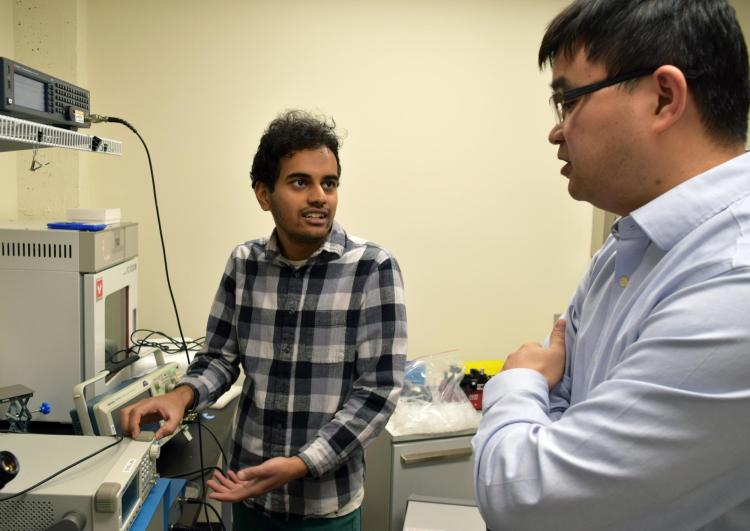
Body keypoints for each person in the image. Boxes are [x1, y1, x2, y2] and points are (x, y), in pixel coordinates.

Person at [473, 1, 750, 529]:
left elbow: (531, 503)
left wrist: (517, 382)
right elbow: (565, 421)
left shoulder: (736, 276)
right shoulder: (620, 254)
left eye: (568, 101)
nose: (557, 132)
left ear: (663, 99)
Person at [121, 110, 407, 530]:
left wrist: (300, 464)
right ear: (263, 194)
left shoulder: (372, 268)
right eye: (300, 182)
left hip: (325, 505)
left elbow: (378, 393)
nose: (319, 196)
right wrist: (179, 397)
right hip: (246, 493)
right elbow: (219, 359)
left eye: (329, 184)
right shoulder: (244, 263)